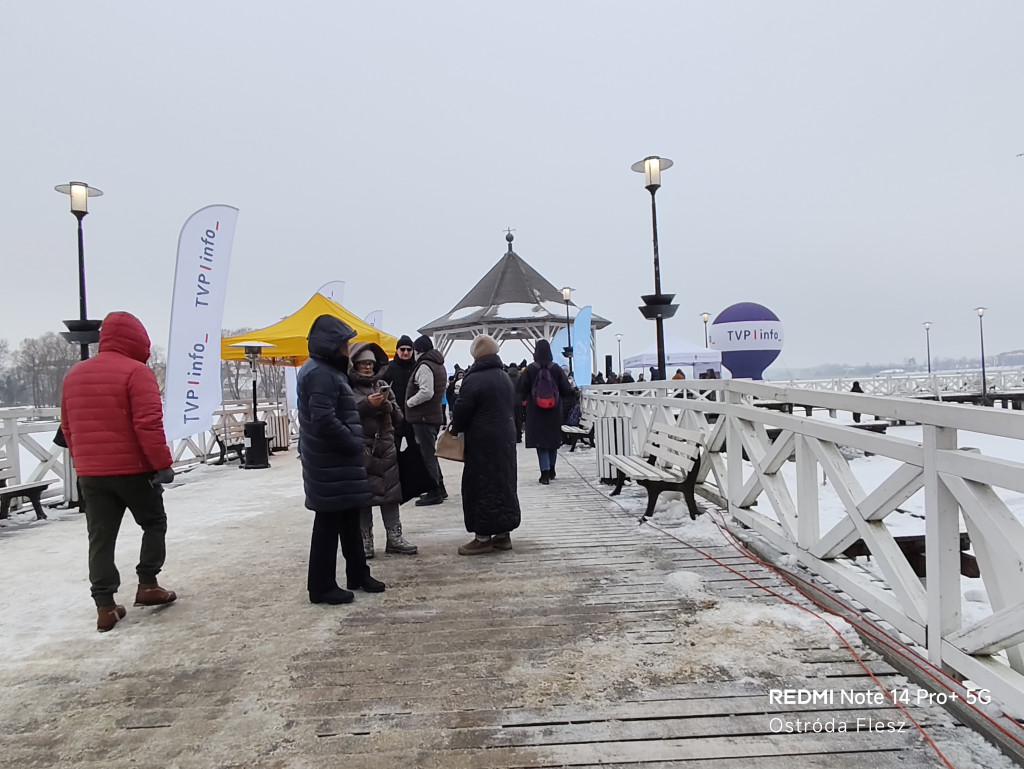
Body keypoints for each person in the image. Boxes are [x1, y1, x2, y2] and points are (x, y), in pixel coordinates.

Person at [60, 311, 177, 633]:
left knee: (100, 538)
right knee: (153, 522)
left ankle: (105, 606)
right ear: (138, 340)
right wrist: (162, 465)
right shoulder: (137, 373)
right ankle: (148, 583)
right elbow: (148, 424)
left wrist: (83, 463)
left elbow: (67, 428)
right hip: (133, 470)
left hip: (92, 474)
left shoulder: (74, 375)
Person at [298, 315, 385, 604]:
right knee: (327, 525)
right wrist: (352, 443)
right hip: (331, 462)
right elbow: (323, 419)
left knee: (349, 519)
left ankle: (358, 573)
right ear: (334, 346)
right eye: (345, 343)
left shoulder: (327, 370)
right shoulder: (321, 373)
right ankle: (321, 587)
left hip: (336, 463)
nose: (349, 348)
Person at [450, 335, 521, 554]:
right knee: (503, 482)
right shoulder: (503, 376)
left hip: (482, 440)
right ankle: (503, 535)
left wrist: (454, 429)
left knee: (481, 485)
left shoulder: (474, 378)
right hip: (505, 438)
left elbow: (462, 408)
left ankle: (482, 537)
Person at [348, 343, 418, 559]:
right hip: (362, 447)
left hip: (386, 446)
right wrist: (367, 404)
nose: (367, 368)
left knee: (390, 495)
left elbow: (399, 418)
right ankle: (365, 541)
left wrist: (387, 405)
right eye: (362, 364)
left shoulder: (383, 384)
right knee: (363, 498)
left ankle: (394, 537)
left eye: (370, 363)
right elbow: (346, 413)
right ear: (354, 366)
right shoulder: (348, 388)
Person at [519, 339, 574, 484]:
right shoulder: (556, 369)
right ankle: (552, 469)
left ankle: (544, 473)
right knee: (552, 441)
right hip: (554, 410)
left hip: (535, 411)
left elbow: (521, 388)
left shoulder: (530, 369)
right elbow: (566, 390)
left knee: (540, 443)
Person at [406, 335, 448, 506]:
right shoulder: (439, 365)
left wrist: (409, 402)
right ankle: (440, 486)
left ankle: (434, 491)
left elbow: (426, 391)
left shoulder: (425, 366)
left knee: (427, 455)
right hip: (432, 415)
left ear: (418, 351)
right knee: (431, 453)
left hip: (424, 416)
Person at [381, 334, 416, 451]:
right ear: (397, 350)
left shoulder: (417, 367)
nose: (405, 352)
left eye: (409, 350)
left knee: (416, 451)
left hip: (413, 416)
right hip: (395, 415)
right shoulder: (389, 367)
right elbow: (381, 388)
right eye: (402, 349)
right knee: (393, 449)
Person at [507, 363, 524, 442]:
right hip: (519, 401)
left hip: (509, 401)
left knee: (511, 419)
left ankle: (511, 436)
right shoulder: (520, 377)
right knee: (519, 419)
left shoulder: (506, 377)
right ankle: (518, 437)